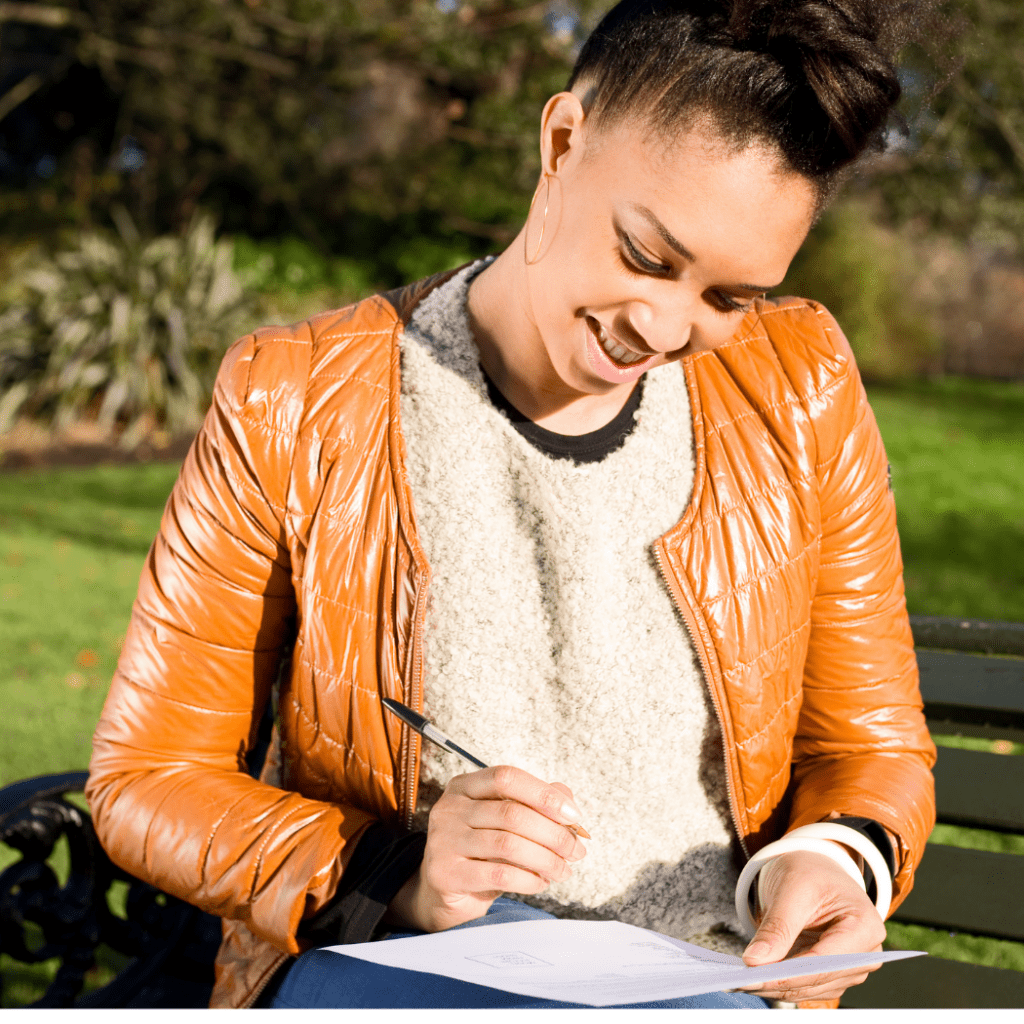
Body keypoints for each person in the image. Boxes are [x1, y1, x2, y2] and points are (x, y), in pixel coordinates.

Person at [86, 0, 937, 1010]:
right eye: (645, 255)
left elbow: (863, 745)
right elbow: (146, 774)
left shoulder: (798, 387)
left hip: (706, 980)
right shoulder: (297, 400)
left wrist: (839, 857)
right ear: (563, 142)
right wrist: (388, 871)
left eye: (729, 297)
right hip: (402, 967)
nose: (663, 325)